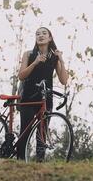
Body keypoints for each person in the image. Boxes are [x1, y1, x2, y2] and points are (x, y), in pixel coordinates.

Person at [17, 27, 68, 160]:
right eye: (37, 34)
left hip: (46, 98)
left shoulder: (54, 58)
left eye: (44, 33)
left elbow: (64, 80)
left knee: (42, 133)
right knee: (25, 132)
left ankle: (39, 164)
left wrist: (61, 60)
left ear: (50, 38)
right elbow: (21, 76)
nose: (40, 36)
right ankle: (20, 163)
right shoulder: (28, 54)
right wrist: (35, 62)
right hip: (29, 97)